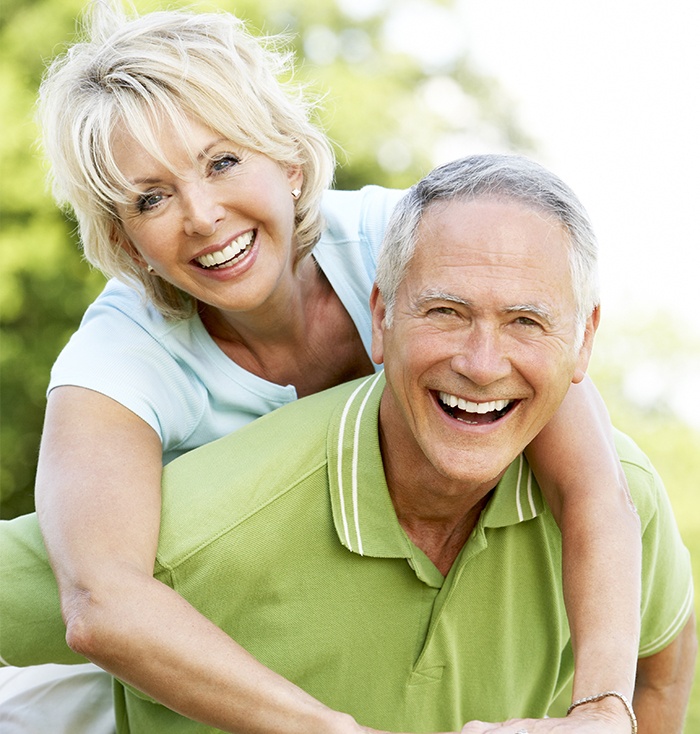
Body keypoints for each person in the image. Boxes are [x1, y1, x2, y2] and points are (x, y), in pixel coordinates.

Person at [0, 2, 642, 732]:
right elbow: (100, 605)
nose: (203, 214)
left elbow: (596, 485)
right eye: (152, 197)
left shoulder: (422, 249)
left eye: (223, 161)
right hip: (154, 679)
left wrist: (601, 710)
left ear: (289, 159)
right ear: (126, 239)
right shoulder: (115, 360)